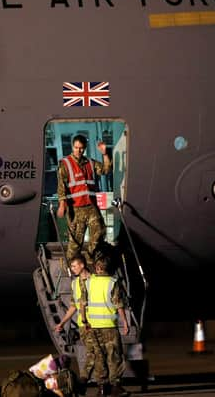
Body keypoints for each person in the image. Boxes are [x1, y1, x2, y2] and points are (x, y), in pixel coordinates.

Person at [57, 134, 111, 263]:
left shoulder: (91, 163)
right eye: (76, 147)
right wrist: (62, 204)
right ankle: (72, 265)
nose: (78, 150)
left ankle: (89, 258)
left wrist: (104, 154)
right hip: (75, 209)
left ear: (85, 148)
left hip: (91, 206)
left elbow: (105, 170)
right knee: (76, 241)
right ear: (72, 146)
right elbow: (61, 185)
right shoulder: (65, 163)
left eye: (81, 148)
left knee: (99, 231)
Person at [86, 256, 129, 397]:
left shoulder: (89, 282)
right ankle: (115, 386)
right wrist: (125, 322)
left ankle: (102, 388)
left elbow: (83, 302)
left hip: (94, 326)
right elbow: (118, 304)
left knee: (99, 357)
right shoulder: (112, 282)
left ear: (97, 268)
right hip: (109, 326)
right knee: (114, 357)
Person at [54, 254, 95, 394]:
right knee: (93, 354)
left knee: (97, 355)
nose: (71, 269)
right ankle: (85, 381)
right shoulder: (75, 283)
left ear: (82, 265)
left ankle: (88, 382)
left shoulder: (94, 281)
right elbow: (74, 306)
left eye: (74, 266)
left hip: (98, 324)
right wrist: (62, 322)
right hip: (85, 327)